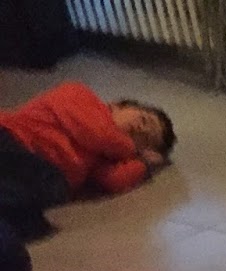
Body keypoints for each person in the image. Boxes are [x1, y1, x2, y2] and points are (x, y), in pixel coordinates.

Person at [0, 82, 173, 241]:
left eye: (145, 139)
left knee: (42, 203)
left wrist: (143, 163)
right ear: (117, 105)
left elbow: (113, 180)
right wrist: (133, 149)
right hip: (13, 138)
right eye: (143, 119)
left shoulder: (105, 154)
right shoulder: (80, 94)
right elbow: (95, 133)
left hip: (41, 177)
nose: (140, 130)